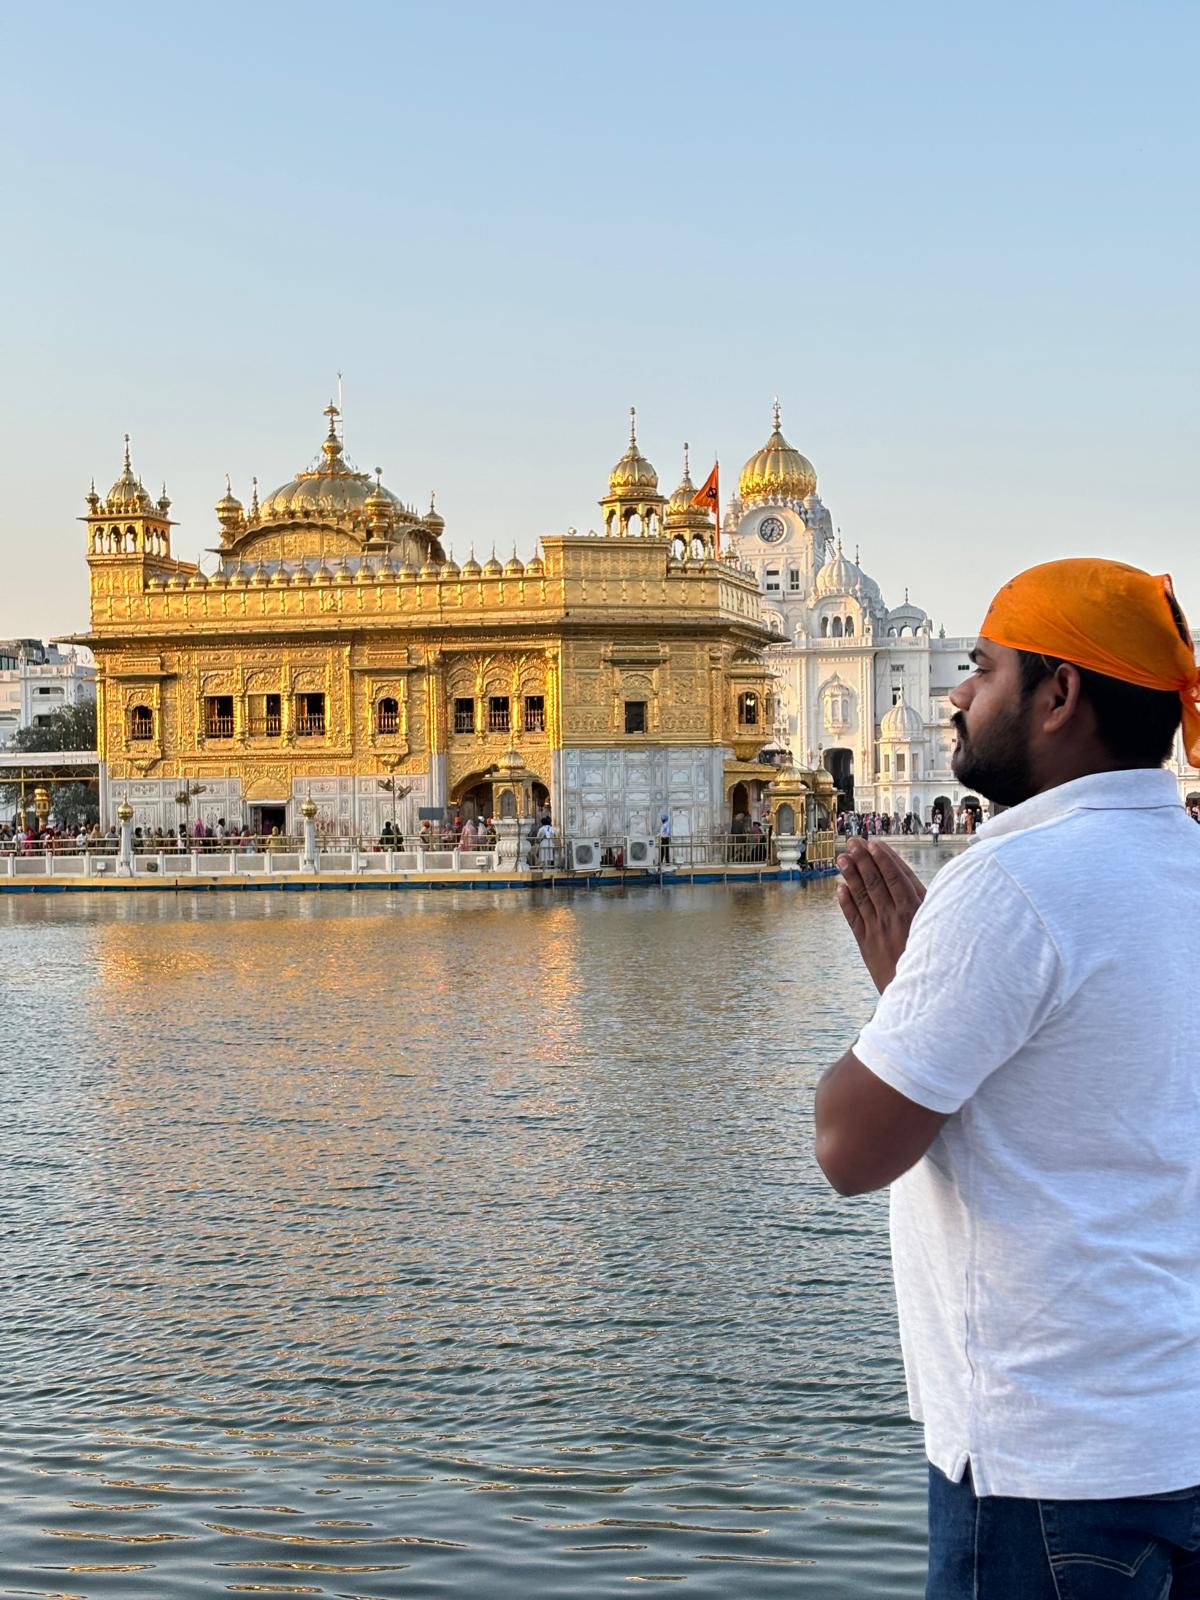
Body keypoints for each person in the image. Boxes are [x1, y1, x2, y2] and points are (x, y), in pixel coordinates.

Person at [814, 558, 1200, 1598]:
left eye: (984, 669)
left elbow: (850, 1147)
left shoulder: (1012, 879)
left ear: (1059, 694)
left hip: (1052, 1471)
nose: (954, 693)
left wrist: (901, 998)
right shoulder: (1186, 859)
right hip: (1180, 1429)